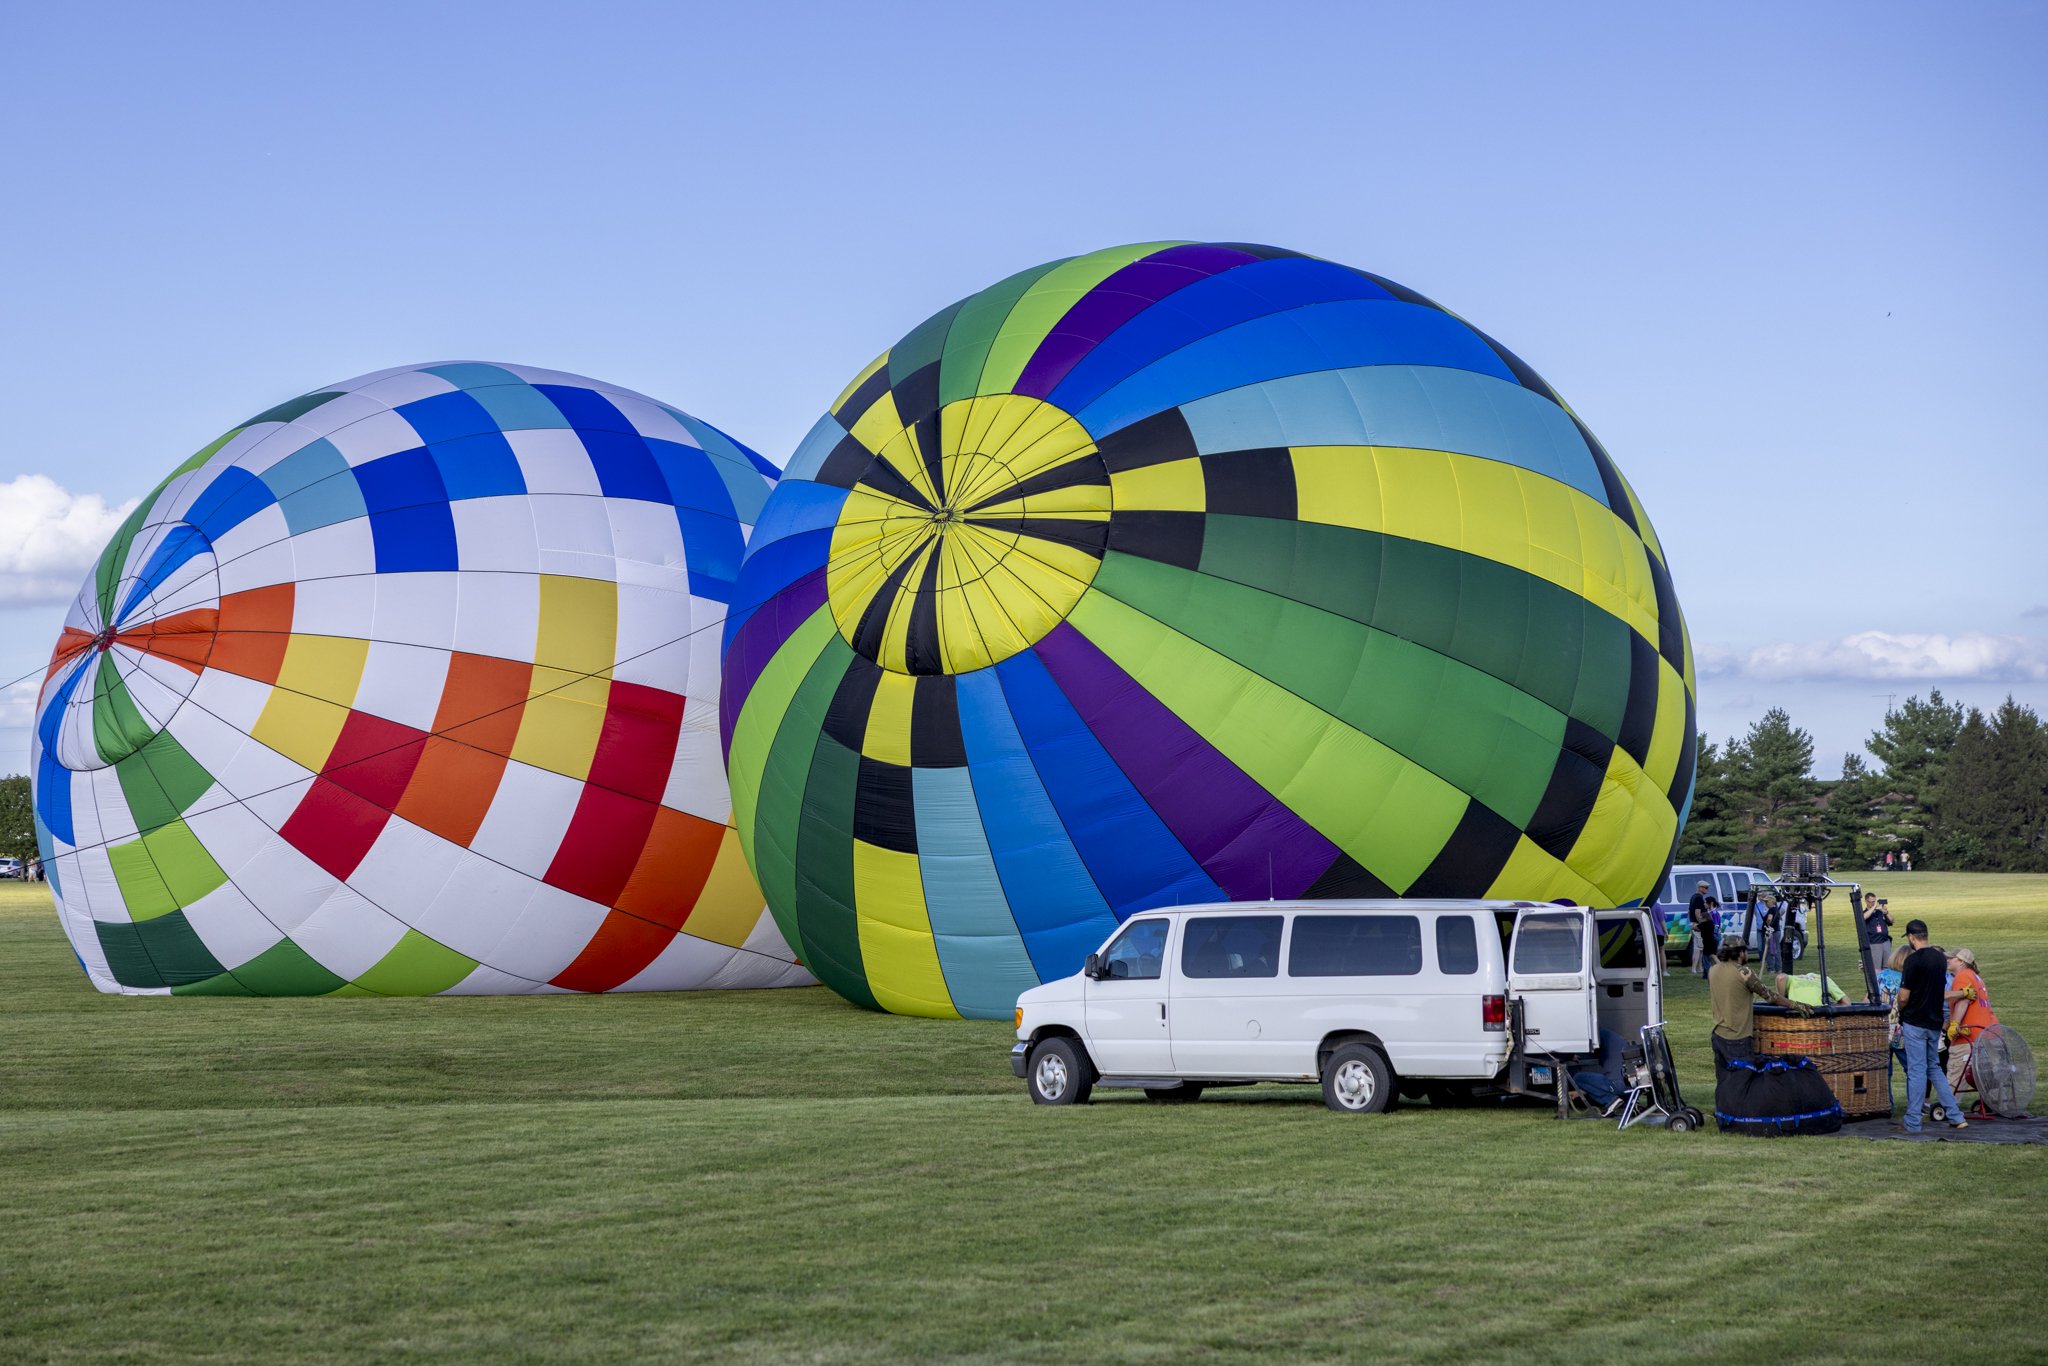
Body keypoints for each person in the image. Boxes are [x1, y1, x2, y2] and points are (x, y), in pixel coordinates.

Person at [1895, 919, 1968, 1132]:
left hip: (1915, 1022)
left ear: (1911, 937)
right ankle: (1956, 1116)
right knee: (1934, 1068)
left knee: (1917, 1070)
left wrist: (1900, 1008)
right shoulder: (1939, 958)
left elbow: (1904, 995)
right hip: (1935, 1021)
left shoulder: (1912, 961)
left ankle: (1913, 1121)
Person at [1710, 939, 1808, 1071]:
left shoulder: (1713, 970)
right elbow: (1770, 996)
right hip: (1737, 1038)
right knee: (1742, 1079)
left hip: (1718, 1036)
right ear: (1740, 953)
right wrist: (1794, 1004)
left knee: (1724, 1081)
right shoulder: (1744, 973)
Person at [1943, 948, 1996, 1101]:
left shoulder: (1962, 976)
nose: (1947, 961)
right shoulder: (1975, 976)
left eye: (1951, 958)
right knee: (1986, 1074)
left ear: (1961, 961)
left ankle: (1948, 1107)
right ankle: (1994, 1103)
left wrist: (1954, 1024)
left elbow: (1964, 1000)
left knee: (1956, 1073)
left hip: (1968, 1034)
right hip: (1986, 1032)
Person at [1570, 1027, 1630, 1117]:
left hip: (1616, 1084)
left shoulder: (1595, 1037)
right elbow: (1595, 1086)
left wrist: (1570, 1055)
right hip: (1630, 1085)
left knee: (1578, 1078)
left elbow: (1581, 1054)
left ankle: (1611, 1101)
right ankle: (1631, 1104)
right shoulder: (1611, 1037)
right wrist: (1580, 1092)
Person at [1860, 896, 1894, 987]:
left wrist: (1886, 912)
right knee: (1876, 968)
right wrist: (1874, 907)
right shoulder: (1864, 913)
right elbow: (1862, 918)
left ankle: (1887, 986)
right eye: (1871, 902)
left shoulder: (1880, 913)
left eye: (1874, 902)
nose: (1873, 904)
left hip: (1885, 942)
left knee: (1887, 967)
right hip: (1874, 943)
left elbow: (1891, 920)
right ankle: (1878, 986)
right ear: (1866, 901)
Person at [1688, 881, 1719, 979]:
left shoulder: (1694, 896)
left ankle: (1700, 968)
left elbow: (1689, 911)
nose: (1707, 889)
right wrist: (1702, 923)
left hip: (1695, 923)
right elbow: (1697, 912)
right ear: (1700, 888)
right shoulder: (1698, 898)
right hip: (1698, 923)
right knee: (1698, 948)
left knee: (1702, 949)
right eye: (1705, 887)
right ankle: (1694, 968)